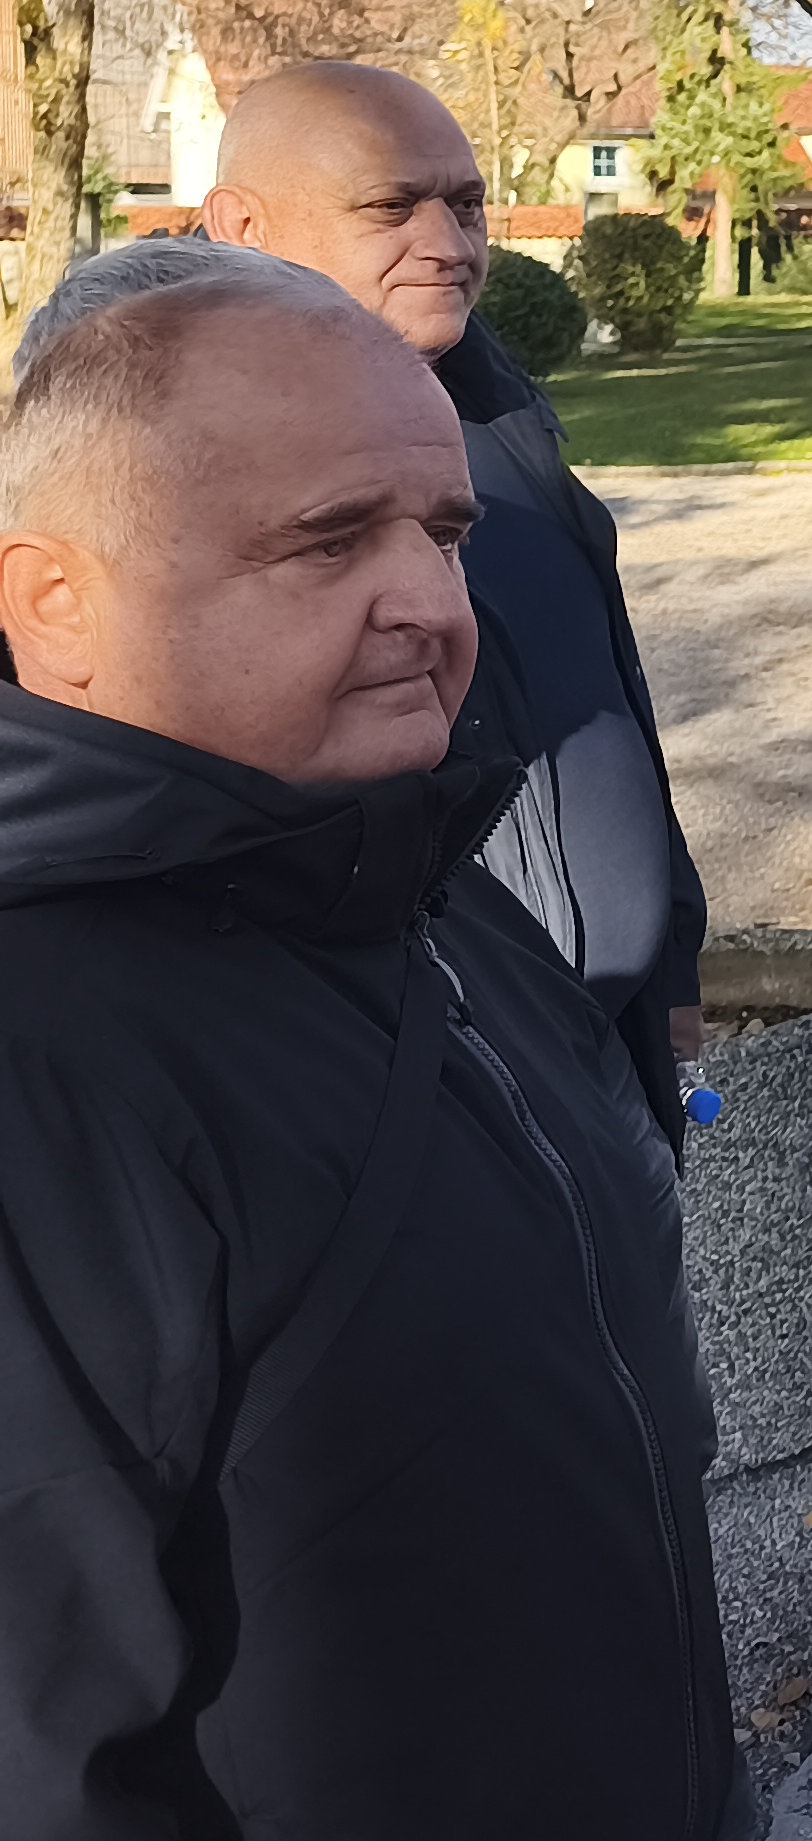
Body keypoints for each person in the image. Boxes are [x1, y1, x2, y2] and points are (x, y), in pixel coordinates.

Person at [0, 256, 742, 1841]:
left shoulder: (423, 878)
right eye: (329, 542)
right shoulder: (45, 1060)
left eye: (445, 534)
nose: (432, 604)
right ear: (55, 603)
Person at [201, 61, 712, 1148]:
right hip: (421, 1086)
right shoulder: (178, 482)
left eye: (466, 204)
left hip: (605, 1050)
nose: (449, 242)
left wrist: (670, 948)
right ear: (242, 226)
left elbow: (607, 688)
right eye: (391, 206)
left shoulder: (495, 415)